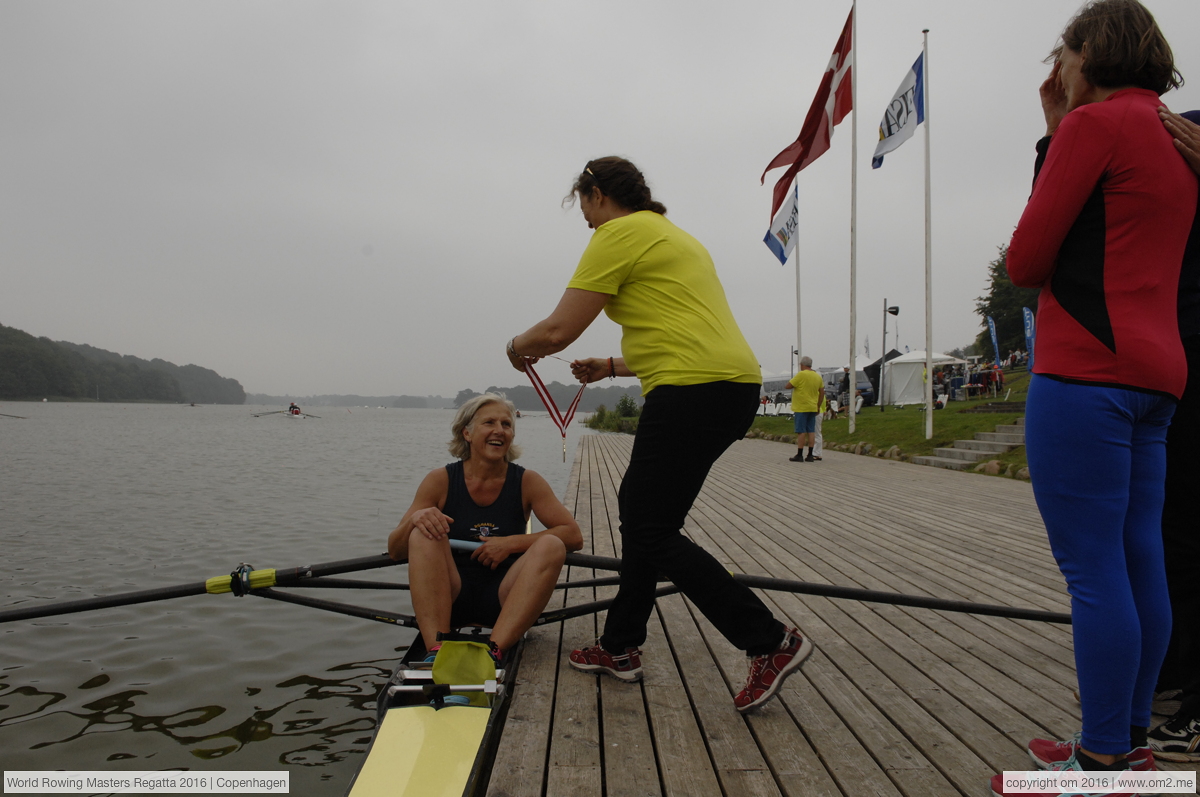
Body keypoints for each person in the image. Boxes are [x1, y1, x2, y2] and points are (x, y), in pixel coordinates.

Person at [504, 156, 810, 713]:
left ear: (597, 195)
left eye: (588, 214)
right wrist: (612, 367)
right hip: (731, 386)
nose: (591, 228)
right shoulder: (673, 234)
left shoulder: (618, 231)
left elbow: (557, 329)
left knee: (646, 523)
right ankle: (620, 645)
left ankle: (768, 640)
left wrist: (515, 346)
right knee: (648, 522)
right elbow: (677, 331)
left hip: (691, 392)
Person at [991, 2, 1196, 794]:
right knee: (1140, 553)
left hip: (1086, 371)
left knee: (1092, 568)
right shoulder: (1178, 135)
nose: (1058, 70)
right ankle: (1131, 741)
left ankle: (1102, 759)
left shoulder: (1095, 126)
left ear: (1089, 54)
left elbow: (1028, 259)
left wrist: (1056, 131)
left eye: (1063, 55)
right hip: (1159, 372)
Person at [386, 393, 583, 663]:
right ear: (467, 433)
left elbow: (572, 534)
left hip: (506, 600)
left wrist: (510, 543)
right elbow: (396, 550)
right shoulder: (439, 480)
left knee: (552, 544)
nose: (499, 431)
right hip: (448, 597)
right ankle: (436, 651)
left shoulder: (528, 481)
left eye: (506, 424)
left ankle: (493, 651)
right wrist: (415, 518)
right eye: (489, 423)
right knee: (422, 531)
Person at [1148, 108, 1200, 763]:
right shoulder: (1171, 127)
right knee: (1163, 527)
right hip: (1165, 354)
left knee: (1185, 531)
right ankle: (1169, 663)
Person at [785, 356, 824, 462]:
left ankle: (800, 454)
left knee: (801, 431)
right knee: (811, 431)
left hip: (801, 407)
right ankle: (810, 455)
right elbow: (822, 392)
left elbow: (788, 386)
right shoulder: (817, 376)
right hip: (812, 406)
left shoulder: (801, 374)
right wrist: (818, 405)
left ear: (802, 364)